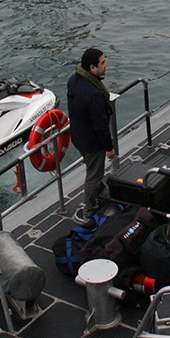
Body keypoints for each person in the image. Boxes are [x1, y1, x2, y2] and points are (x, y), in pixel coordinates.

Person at [67, 48, 114, 223]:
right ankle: (89, 207)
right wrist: (109, 147)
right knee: (94, 174)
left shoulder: (74, 80)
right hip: (91, 142)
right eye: (102, 63)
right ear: (92, 68)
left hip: (78, 135)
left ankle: (99, 191)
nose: (105, 65)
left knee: (92, 170)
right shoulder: (93, 94)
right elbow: (100, 125)